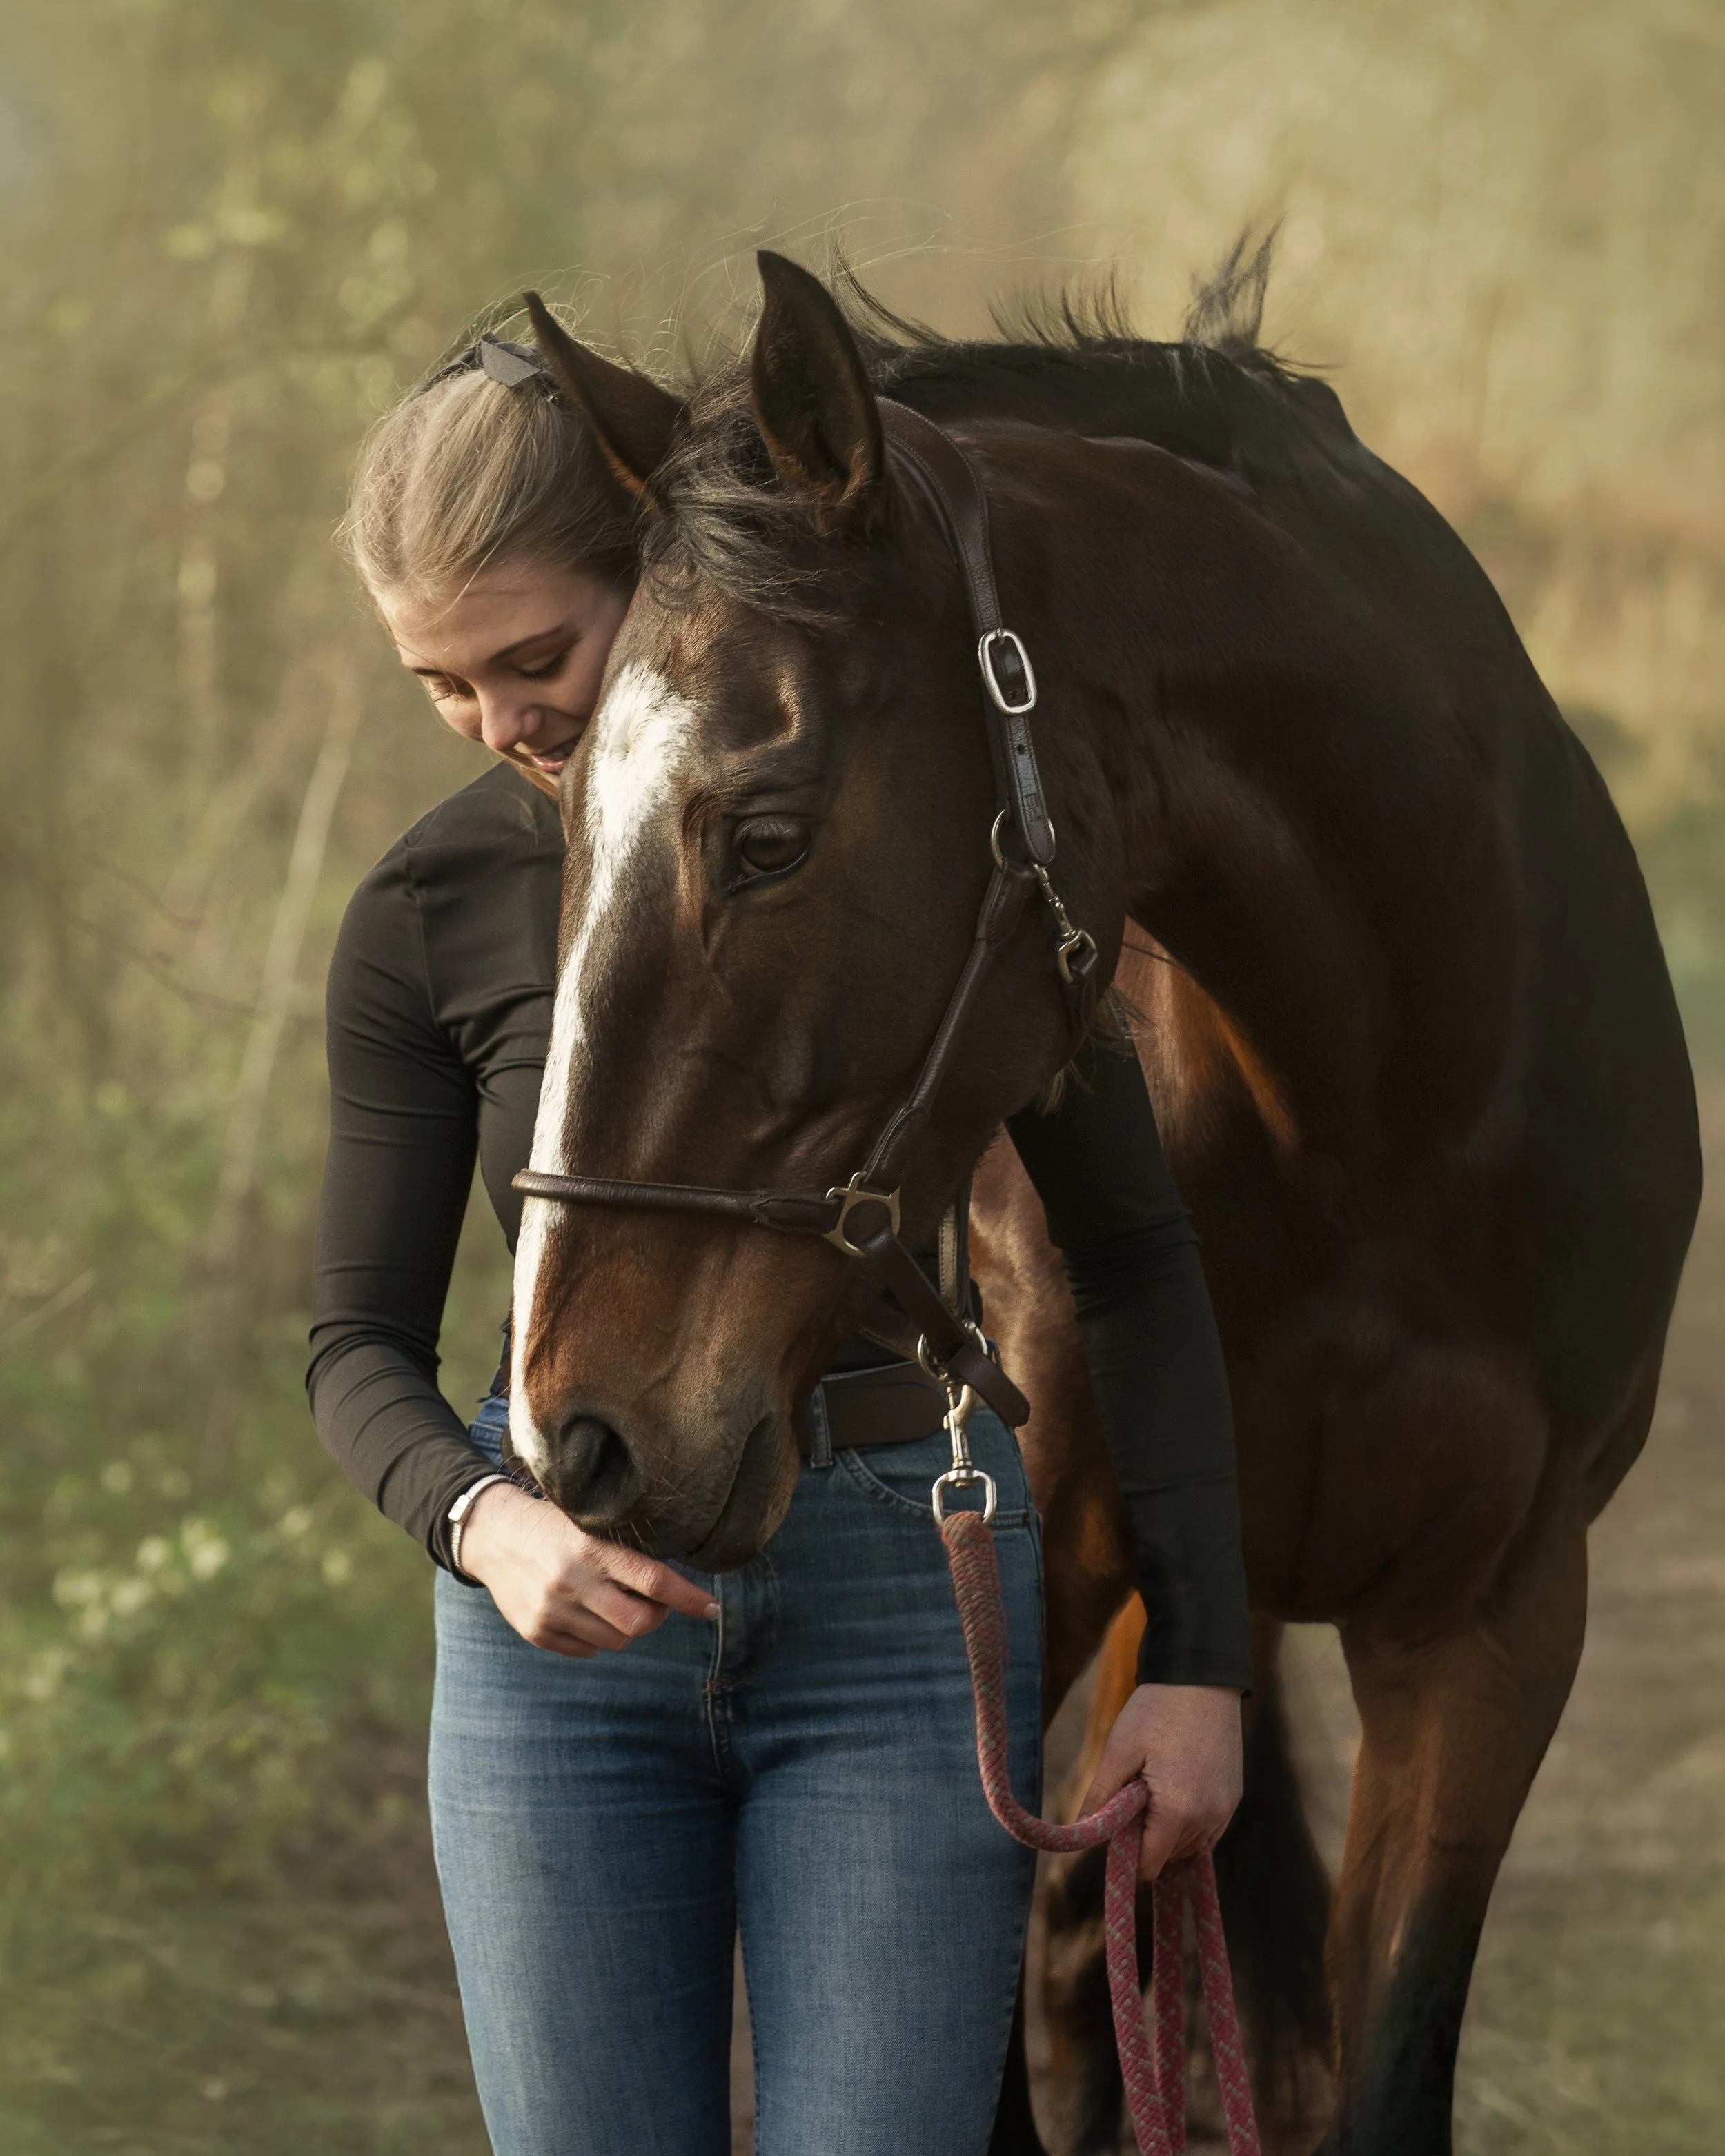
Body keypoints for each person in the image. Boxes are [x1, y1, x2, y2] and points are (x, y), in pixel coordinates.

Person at [308, 324, 1254, 2156]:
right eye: (442, 685)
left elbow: (1133, 1261)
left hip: (895, 1609)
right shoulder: (428, 913)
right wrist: (483, 1522)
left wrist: (1197, 1657)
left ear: (657, 576)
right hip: (550, 1655)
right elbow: (353, 1340)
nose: (502, 721)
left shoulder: (911, 855)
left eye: (533, 655)